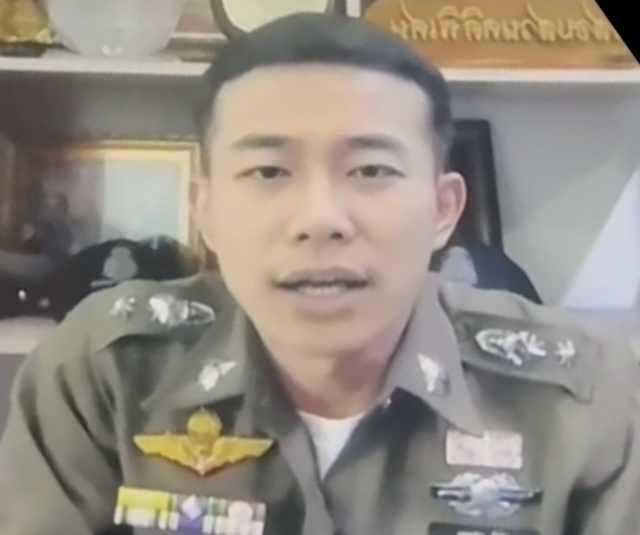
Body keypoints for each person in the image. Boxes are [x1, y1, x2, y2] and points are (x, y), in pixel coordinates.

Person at [1, 13, 639, 535]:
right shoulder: (106, 373)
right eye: (269, 172)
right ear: (207, 213)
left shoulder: (582, 399)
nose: (320, 220)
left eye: (371, 171)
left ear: (444, 210)